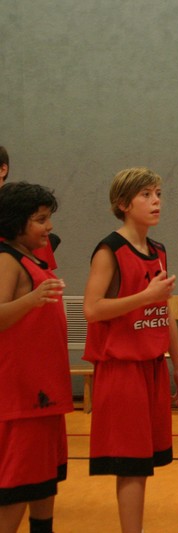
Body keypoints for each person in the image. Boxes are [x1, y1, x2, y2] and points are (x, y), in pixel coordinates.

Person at [83, 167, 178, 533]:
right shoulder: (109, 250)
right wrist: (145, 296)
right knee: (131, 464)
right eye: (146, 195)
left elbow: (163, 310)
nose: (156, 201)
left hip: (152, 365)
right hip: (121, 367)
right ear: (123, 204)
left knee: (144, 463)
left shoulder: (158, 250)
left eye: (158, 193)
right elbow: (92, 309)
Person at [0, 182, 71, 533]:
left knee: (45, 481)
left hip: (45, 391)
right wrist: (32, 298)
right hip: (22, 395)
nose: (49, 227)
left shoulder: (30, 258)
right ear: (16, 221)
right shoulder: (6, 259)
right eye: (40, 220)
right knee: (18, 487)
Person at [0, 146, 61, 269]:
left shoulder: (22, 205)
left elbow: (40, 275)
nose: (49, 226)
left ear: (2, 170)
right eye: (42, 220)